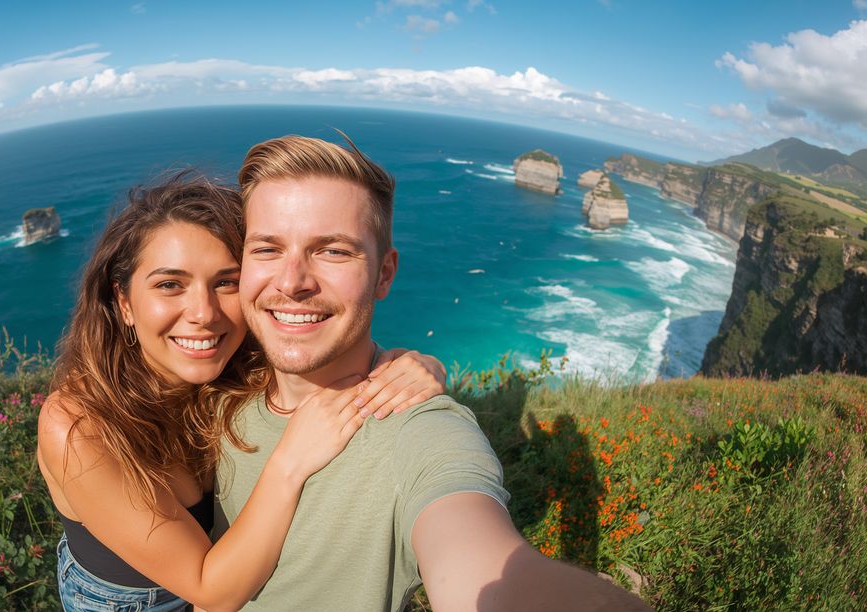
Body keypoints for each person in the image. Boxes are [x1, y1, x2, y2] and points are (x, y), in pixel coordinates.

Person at [215, 135, 651, 611]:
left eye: (333, 251)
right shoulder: (217, 380)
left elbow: (483, 561)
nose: (292, 281)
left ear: (385, 274)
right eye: (267, 249)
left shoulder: (417, 433)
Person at [35, 175, 447, 611]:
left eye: (226, 282)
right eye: (170, 285)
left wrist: (413, 366)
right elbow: (211, 591)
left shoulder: (235, 367)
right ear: (123, 302)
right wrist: (291, 460)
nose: (204, 314)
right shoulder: (79, 427)